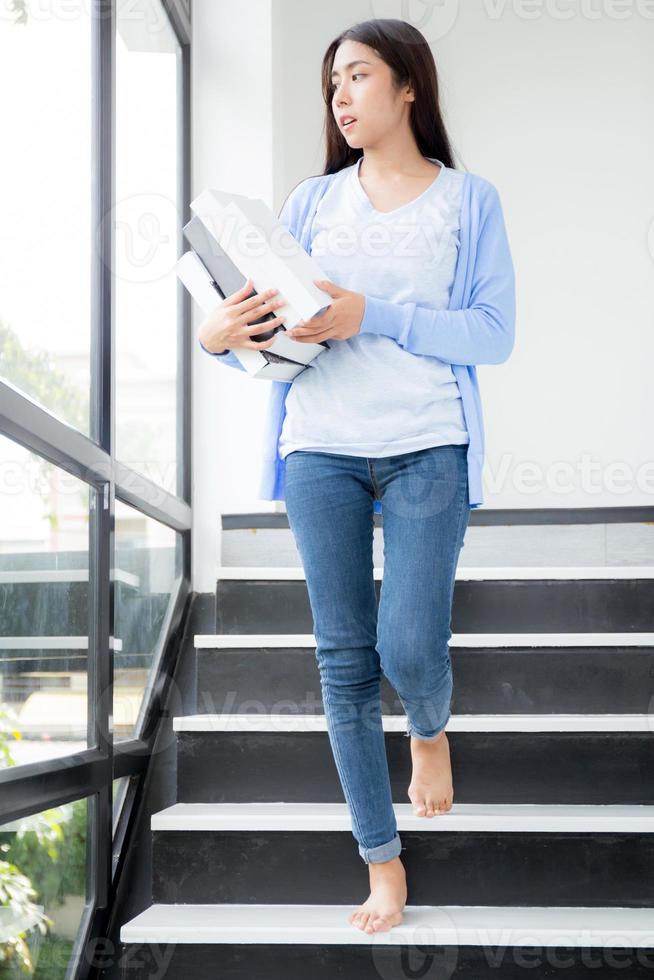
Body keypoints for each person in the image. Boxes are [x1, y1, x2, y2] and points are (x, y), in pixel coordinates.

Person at [199, 18, 516, 937]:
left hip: (428, 443)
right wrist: (219, 339)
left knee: (410, 646)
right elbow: (268, 336)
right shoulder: (307, 203)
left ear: (409, 85)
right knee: (343, 660)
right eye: (332, 80)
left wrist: (373, 312)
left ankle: (428, 727)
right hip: (320, 449)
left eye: (359, 75)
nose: (339, 94)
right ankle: (383, 865)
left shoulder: (469, 200)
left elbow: (492, 333)